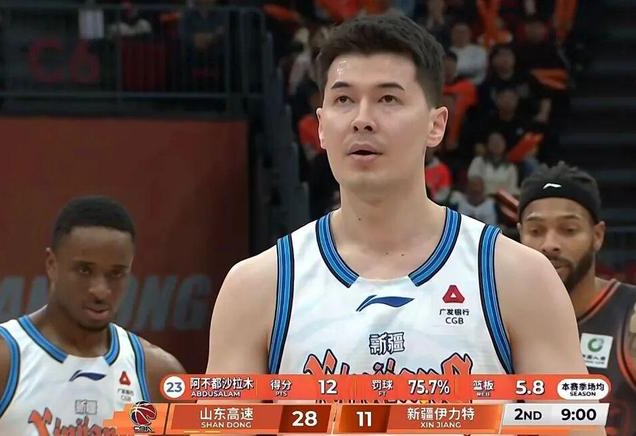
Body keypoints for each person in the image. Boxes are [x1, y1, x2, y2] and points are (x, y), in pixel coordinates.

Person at [208, 14, 600, 435]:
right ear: (321, 127)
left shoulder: (518, 277)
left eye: (388, 99)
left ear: (436, 125)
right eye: (344, 100)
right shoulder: (257, 287)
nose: (362, 119)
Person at [0, 196, 185, 435]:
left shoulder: (158, 374)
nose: (100, 290)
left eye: (116, 273)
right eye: (84, 270)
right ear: (52, 264)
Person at [518, 162, 636, 436]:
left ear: (597, 236)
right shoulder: (494, 320)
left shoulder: (629, 315)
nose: (550, 244)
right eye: (535, 231)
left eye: (569, 230)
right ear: (520, 234)